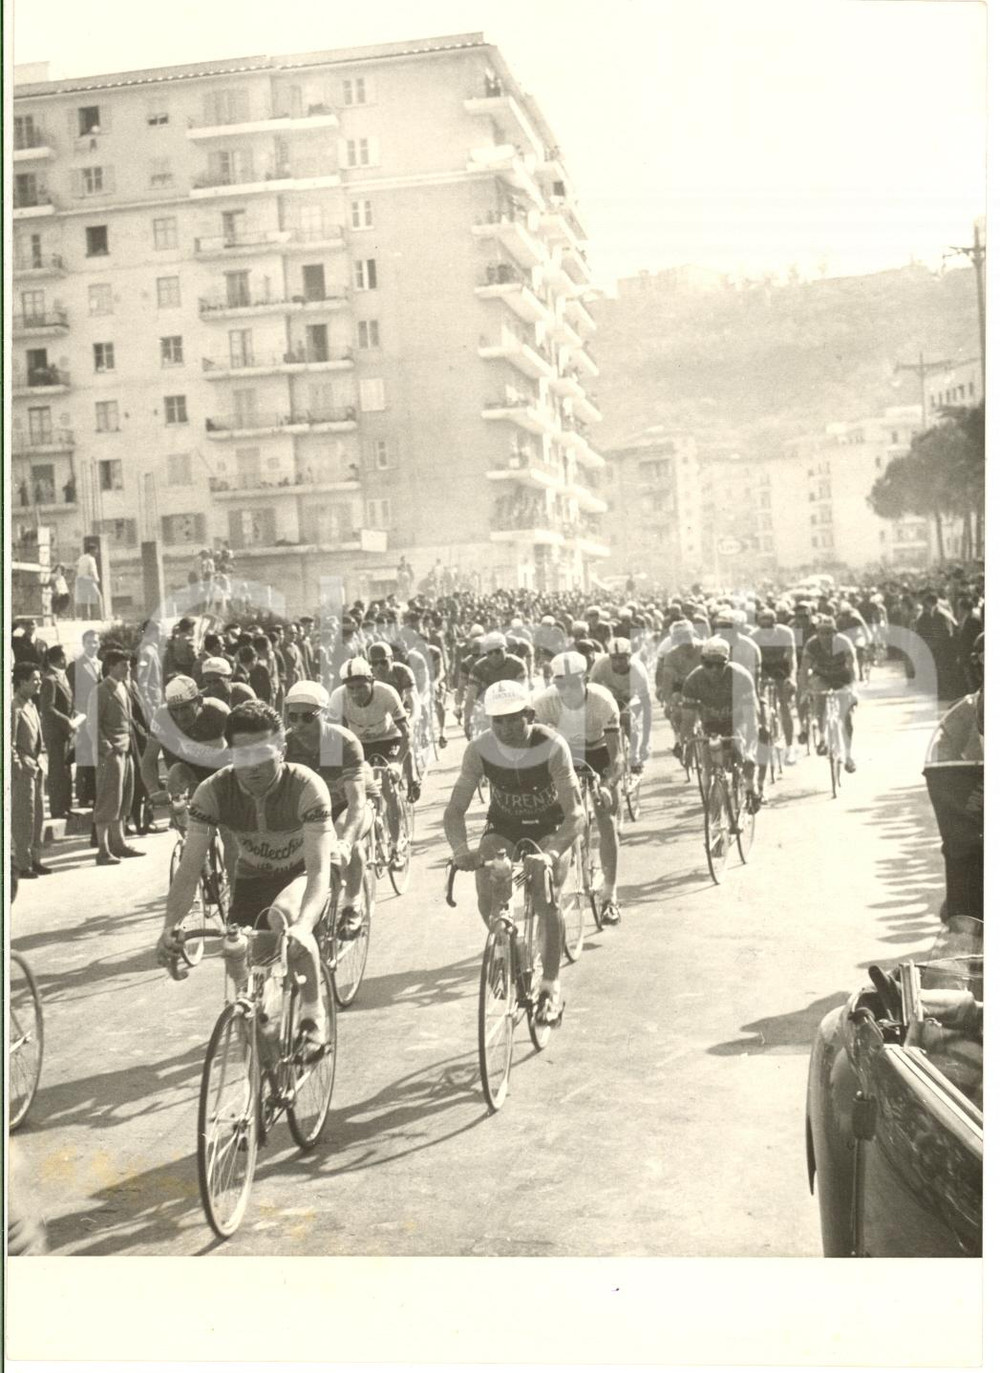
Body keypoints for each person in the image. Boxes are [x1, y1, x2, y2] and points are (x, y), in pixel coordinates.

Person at [158, 701, 334, 1052]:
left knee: (281, 918)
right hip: (252, 880)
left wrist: (303, 924)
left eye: (263, 754)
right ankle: (264, 1070)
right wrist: (169, 927)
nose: (252, 767)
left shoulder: (306, 786)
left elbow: (318, 871)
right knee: (239, 963)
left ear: (282, 748)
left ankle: (314, 1017)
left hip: (300, 876)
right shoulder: (212, 791)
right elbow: (190, 867)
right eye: (242, 756)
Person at [444, 678, 583, 1027]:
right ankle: (508, 949)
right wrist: (461, 851)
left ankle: (550, 988)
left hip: (549, 828)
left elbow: (576, 814)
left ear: (530, 715)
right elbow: (454, 810)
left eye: (513, 718)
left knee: (544, 891)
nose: (505, 727)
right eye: (497, 720)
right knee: (487, 883)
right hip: (505, 826)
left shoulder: (552, 745)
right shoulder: (479, 749)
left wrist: (551, 854)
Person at [531, 650, 624, 924]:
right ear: (554, 683)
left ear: (585, 679)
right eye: (562, 684)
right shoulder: (543, 702)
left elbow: (617, 756)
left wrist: (608, 785)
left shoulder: (603, 701)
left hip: (598, 752)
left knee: (606, 817)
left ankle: (610, 896)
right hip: (564, 753)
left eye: (574, 683)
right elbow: (532, 751)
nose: (568, 690)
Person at [283, 681, 377, 940]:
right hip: (315, 810)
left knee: (343, 834)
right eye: (293, 717)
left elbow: (356, 803)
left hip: (348, 804)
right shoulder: (287, 745)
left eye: (307, 717)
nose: (299, 724)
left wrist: (345, 843)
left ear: (323, 714)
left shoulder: (338, 742)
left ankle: (352, 903)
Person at [681, 637, 764, 804]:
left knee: (742, 753)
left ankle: (751, 786)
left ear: (727, 662)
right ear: (702, 661)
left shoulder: (741, 676)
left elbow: (752, 720)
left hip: (737, 721)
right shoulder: (693, 680)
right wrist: (687, 746)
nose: (713, 669)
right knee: (707, 767)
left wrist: (750, 752)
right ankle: (713, 807)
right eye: (708, 664)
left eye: (719, 664)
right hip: (710, 724)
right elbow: (688, 721)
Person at [141, 675, 230, 816]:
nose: (180, 716)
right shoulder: (162, 717)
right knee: (176, 773)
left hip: (218, 770)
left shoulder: (218, 712)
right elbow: (148, 760)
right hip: (187, 773)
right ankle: (185, 831)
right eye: (174, 710)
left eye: (185, 708)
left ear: (199, 701)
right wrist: (154, 791)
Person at [90, 648, 144, 865]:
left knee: (124, 798)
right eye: (123, 665)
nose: (128, 668)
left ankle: (118, 843)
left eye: (129, 665)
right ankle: (103, 850)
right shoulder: (101, 690)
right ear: (110, 666)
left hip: (127, 748)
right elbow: (93, 724)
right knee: (107, 800)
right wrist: (107, 748)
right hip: (111, 752)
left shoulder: (125, 686)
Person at [797, 615, 859, 773]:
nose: (825, 636)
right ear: (817, 632)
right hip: (822, 677)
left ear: (834, 632)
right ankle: (823, 738)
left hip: (842, 677)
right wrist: (805, 689)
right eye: (822, 632)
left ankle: (849, 756)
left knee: (846, 716)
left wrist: (852, 687)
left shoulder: (844, 642)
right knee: (819, 698)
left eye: (828, 632)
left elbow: (853, 666)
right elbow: (804, 669)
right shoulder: (811, 644)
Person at [11, 663, 53, 878]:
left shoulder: (31, 705)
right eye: (34, 679)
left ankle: (36, 859)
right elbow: (8, 743)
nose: (38, 683)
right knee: (23, 817)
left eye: (39, 679)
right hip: (24, 770)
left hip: (37, 767)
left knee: (38, 816)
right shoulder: (13, 708)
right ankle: (22, 863)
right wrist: (19, 765)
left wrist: (42, 760)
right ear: (21, 682)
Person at [589, 636, 653, 771]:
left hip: (630, 698)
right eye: (614, 658)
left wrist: (645, 742)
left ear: (630, 656)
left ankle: (634, 757)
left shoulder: (639, 670)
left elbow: (647, 707)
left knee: (627, 719)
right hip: (608, 696)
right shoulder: (600, 665)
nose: (618, 663)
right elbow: (590, 693)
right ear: (609, 657)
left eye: (622, 658)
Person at [751, 606, 798, 766]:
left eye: (769, 626)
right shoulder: (753, 635)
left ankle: (790, 747)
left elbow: (792, 658)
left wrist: (791, 677)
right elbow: (751, 663)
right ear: (758, 625)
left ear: (775, 624)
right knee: (757, 700)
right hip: (763, 668)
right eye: (762, 626)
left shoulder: (785, 633)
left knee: (784, 704)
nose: (766, 629)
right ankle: (762, 730)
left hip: (781, 668)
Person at [462, 631, 527, 737]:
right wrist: (467, 721)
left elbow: (522, 694)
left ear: (506, 649)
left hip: (512, 702)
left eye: (498, 651)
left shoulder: (518, 665)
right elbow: (471, 696)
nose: (494, 656)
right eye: (489, 653)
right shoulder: (478, 668)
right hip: (489, 706)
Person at [39, 644, 76, 820]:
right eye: (66, 656)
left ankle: (66, 806)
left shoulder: (61, 676)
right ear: (60, 658)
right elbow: (47, 708)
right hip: (56, 733)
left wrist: (73, 716)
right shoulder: (50, 679)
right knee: (57, 770)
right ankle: (57, 808)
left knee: (66, 769)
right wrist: (66, 720)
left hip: (66, 731)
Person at [74, 547, 104, 619]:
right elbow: (93, 571)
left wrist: (79, 573)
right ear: (92, 550)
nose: (97, 553)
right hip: (88, 580)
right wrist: (96, 580)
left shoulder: (81, 558)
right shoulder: (91, 559)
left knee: (84, 599)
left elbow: (75, 565)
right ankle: (98, 617)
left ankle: (85, 617)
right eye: (96, 551)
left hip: (80, 580)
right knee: (97, 597)